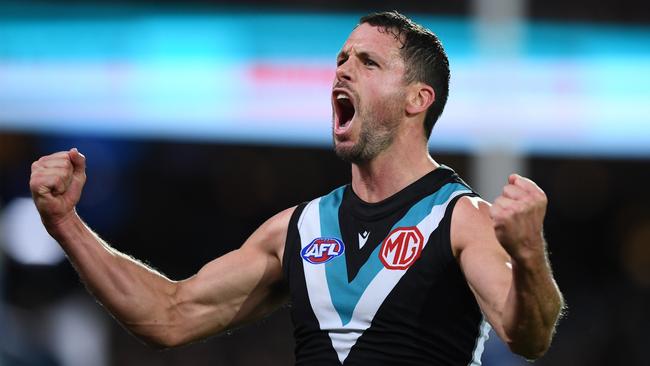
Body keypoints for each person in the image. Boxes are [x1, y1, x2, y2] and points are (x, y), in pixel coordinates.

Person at [30, 11, 563, 366]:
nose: (342, 71)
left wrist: (529, 253)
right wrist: (65, 224)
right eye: (340, 60)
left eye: (367, 62)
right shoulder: (298, 229)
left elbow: (529, 337)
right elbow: (169, 314)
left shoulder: (461, 217)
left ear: (417, 100)